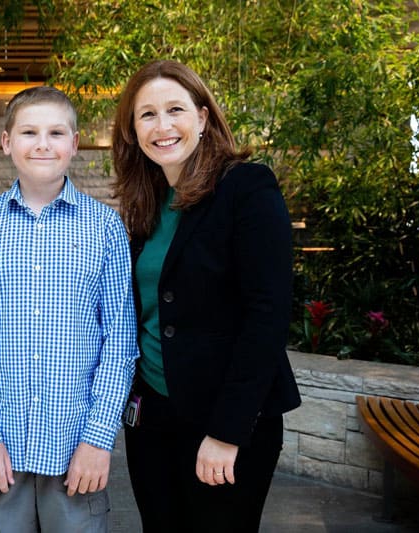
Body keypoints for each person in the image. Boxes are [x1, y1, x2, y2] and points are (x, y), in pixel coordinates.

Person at [111, 59, 302, 532]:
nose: (163, 125)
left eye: (175, 109)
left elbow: (268, 314)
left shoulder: (246, 187)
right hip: (152, 417)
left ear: (202, 116)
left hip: (224, 420)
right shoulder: (145, 203)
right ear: (133, 131)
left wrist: (226, 431)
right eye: (147, 115)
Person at [0, 86, 138, 532]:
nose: (43, 143)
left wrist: (97, 439)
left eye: (56, 132)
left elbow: (120, 340)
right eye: (29, 132)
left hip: (75, 452)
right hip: (0, 453)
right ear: (7, 142)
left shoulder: (105, 228)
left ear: (74, 144)